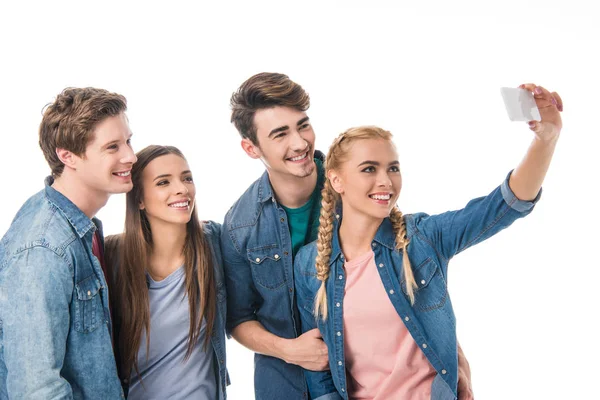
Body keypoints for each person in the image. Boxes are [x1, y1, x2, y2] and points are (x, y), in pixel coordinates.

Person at [294, 83, 562, 399]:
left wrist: (546, 139)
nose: (386, 181)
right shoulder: (311, 264)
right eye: (369, 169)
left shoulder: (422, 237)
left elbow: (503, 205)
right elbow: (317, 361)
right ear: (336, 180)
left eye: (392, 168)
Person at [221, 72, 473, 399]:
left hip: (370, 384)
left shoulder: (354, 182)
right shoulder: (240, 225)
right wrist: (288, 349)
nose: (299, 143)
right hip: (285, 384)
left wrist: (451, 353)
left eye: (303, 125)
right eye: (280, 134)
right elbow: (238, 319)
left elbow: (413, 272)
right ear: (251, 148)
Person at [0, 87, 135, 398]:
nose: (130, 156)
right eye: (112, 147)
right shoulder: (44, 248)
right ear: (67, 156)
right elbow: (36, 390)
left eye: (128, 141)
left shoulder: (81, 228)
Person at [105, 145, 228, 400]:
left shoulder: (213, 245)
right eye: (163, 182)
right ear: (139, 199)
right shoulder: (112, 257)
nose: (182, 189)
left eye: (187, 178)